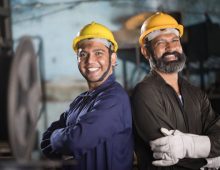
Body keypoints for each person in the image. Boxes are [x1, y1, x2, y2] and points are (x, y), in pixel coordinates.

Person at [132, 12, 220, 170]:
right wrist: (207, 161)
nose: (171, 47)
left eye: (175, 40)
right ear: (146, 51)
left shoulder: (196, 94)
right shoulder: (145, 93)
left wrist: (190, 146)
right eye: (161, 42)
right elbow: (165, 153)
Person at [40, 22, 133, 170]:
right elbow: (44, 142)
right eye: (83, 54)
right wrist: (61, 139)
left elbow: (76, 141)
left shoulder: (115, 98)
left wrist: (56, 137)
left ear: (113, 58)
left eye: (98, 53)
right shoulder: (80, 100)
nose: (90, 61)